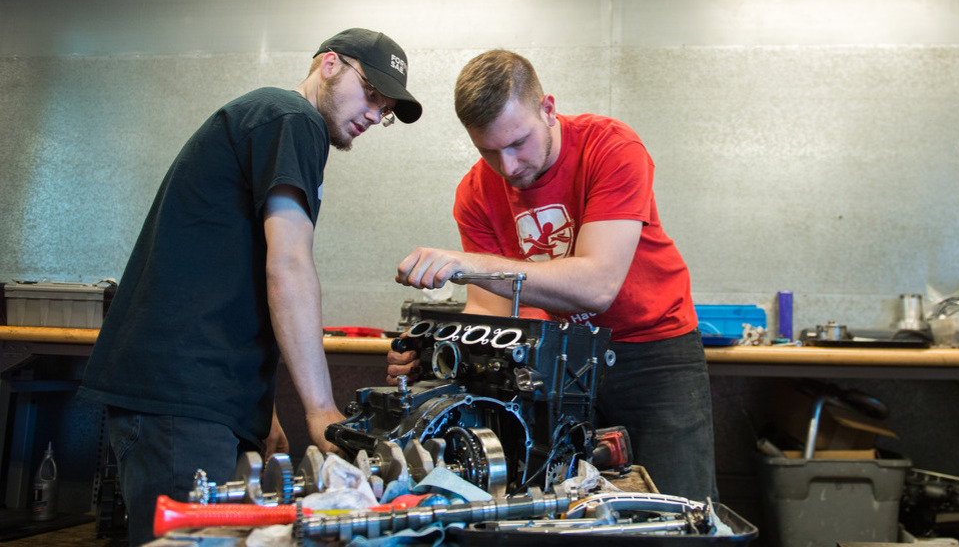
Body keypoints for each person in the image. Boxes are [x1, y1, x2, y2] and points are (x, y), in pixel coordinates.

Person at [78, 28, 421, 546]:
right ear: (329, 64)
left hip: (200, 398)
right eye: (371, 93)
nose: (376, 113)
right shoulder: (291, 117)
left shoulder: (273, 125)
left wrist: (264, 414)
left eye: (387, 108)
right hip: (183, 396)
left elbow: (241, 277)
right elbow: (288, 265)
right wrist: (321, 410)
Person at [387, 49, 717, 502]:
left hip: (652, 352)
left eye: (517, 142)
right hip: (557, 360)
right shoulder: (475, 193)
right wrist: (432, 364)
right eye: (488, 151)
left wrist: (475, 265)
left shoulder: (611, 148)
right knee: (561, 507)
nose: (508, 167)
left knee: (678, 506)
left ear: (547, 109)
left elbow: (598, 286)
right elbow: (493, 313)